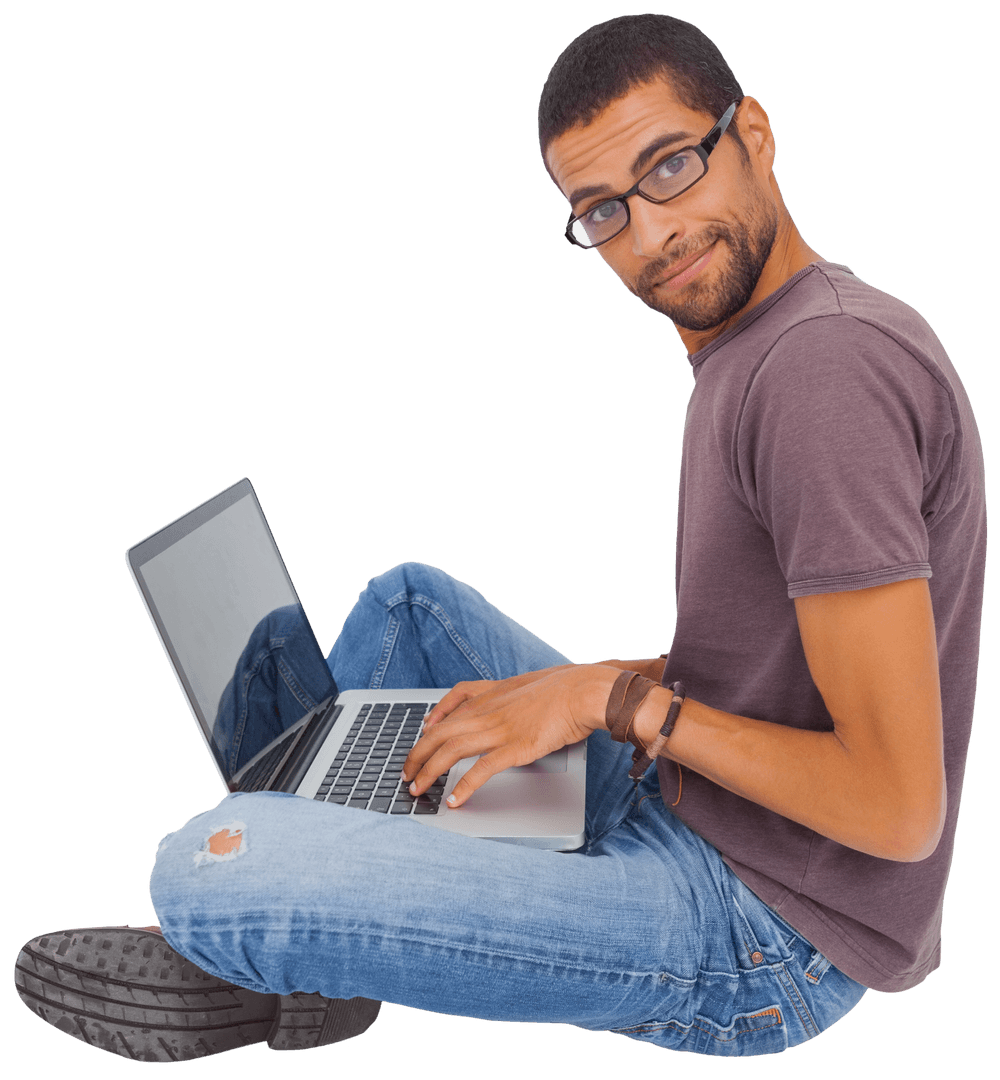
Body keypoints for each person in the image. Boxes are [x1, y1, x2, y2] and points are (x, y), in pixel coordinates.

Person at [14, 12, 986, 1062]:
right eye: (602, 210)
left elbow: (894, 809)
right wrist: (597, 690)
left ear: (751, 131)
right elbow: (783, 669)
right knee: (409, 606)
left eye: (670, 167)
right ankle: (337, 870)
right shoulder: (766, 341)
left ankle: (289, 921)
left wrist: (606, 701)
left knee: (203, 868)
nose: (651, 233)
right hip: (706, 807)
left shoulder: (818, 374)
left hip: (762, 932)